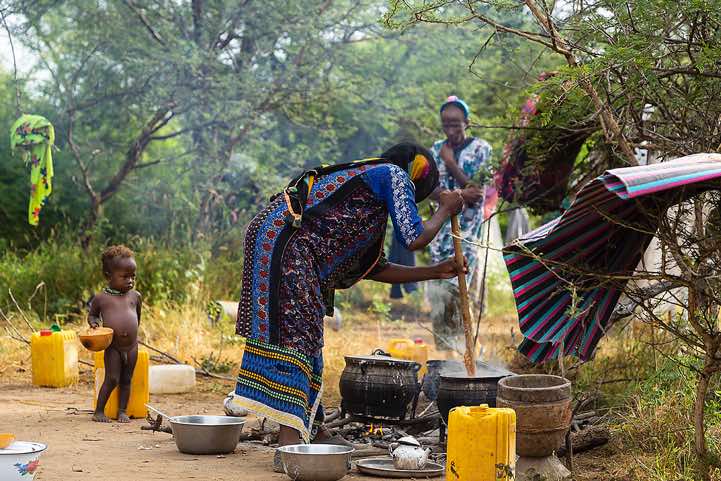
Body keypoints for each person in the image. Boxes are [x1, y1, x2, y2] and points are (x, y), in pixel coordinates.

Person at [224, 143, 465, 471]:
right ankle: (290, 444)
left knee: (308, 334)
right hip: (289, 245)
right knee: (297, 336)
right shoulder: (392, 173)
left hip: (280, 239)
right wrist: (445, 209)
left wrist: (435, 271)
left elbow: (375, 268)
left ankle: (313, 429)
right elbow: (413, 236)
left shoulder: (366, 197)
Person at [427, 96, 506, 352]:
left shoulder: (482, 149)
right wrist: (460, 194)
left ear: (466, 122)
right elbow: (429, 189)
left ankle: (469, 351)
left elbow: (477, 195)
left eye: (455, 123)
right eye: (446, 123)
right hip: (439, 234)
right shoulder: (434, 148)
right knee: (438, 294)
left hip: (468, 234)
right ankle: (447, 357)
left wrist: (450, 163)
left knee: (460, 292)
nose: (450, 128)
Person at [88, 245, 142, 423]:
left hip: (132, 347)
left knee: (127, 379)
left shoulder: (135, 296)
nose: (130, 281)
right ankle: (99, 411)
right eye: (124, 276)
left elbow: (137, 318)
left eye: (133, 276)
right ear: (108, 275)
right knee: (112, 378)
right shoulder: (101, 298)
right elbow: (92, 315)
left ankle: (122, 411)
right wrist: (94, 323)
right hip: (113, 347)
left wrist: (132, 335)